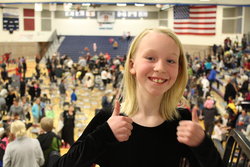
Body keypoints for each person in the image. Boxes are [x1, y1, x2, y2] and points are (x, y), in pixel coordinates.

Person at [53, 27, 225, 167]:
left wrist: (203, 145)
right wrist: (103, 135)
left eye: (170, 61)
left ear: (179, 69)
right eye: (151, 58)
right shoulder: (109, 120)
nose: (160, 67)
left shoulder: (183, 122)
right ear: (132, 65)